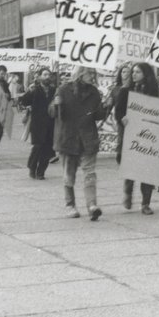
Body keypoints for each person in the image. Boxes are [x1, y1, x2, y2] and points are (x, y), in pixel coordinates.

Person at [49, 66, 107, 220]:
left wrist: (105, 106)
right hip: (68, 137)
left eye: (94, 73)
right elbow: (52, 113)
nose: (93, 75)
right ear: (81, 74)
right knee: (69, 174)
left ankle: (92, 205)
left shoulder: (94, 92)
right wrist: (56, 104)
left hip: (87, 138)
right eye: (90, 73)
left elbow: (98, 115)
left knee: (89, 173)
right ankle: (70, 205)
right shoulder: (63, 90)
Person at [115, 62, 159, 215]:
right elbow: (118, 113)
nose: (133, 74)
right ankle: (128, 191)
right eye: (133, 72)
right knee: (130, 165)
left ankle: (145, 203)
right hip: (130, 133)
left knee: (147, 169)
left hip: (148, 133)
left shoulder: (153, 92)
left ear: (146, 74)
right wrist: (123, 119)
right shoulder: (125, 91)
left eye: (138, 72)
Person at [18, 66, 56, 180]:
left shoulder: (54, 90)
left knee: (47, 149)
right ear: (39, 77)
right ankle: (32, 167)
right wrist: (29, 91)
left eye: (49, 75)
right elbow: (23, 101)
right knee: (37, 147)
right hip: (37, 123)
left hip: (50, 123)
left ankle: (41, 172)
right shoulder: (35, 89)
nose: (47, 77)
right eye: (44, 75)